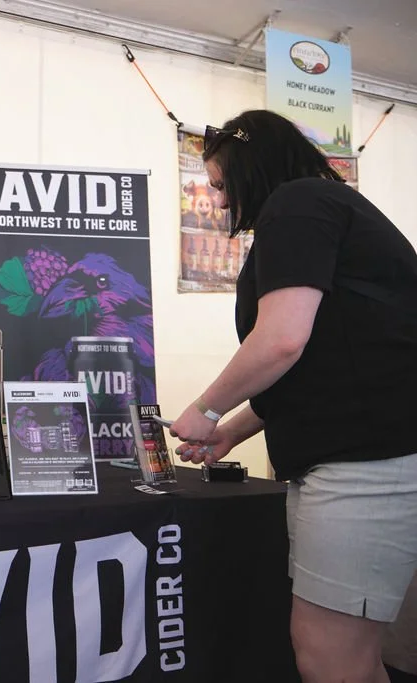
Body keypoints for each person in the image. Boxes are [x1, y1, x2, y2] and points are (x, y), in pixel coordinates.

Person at [167, 109, 417, 683]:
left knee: (331, 654)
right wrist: (229, 432)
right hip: (343, 456)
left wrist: (206, 409)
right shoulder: (314, 211)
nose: (219, 202)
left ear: (251, 167)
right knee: (339, 652)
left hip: (366, 458)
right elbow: (315, 366)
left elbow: (280, 341)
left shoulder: (298, 204)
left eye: (221, 184)